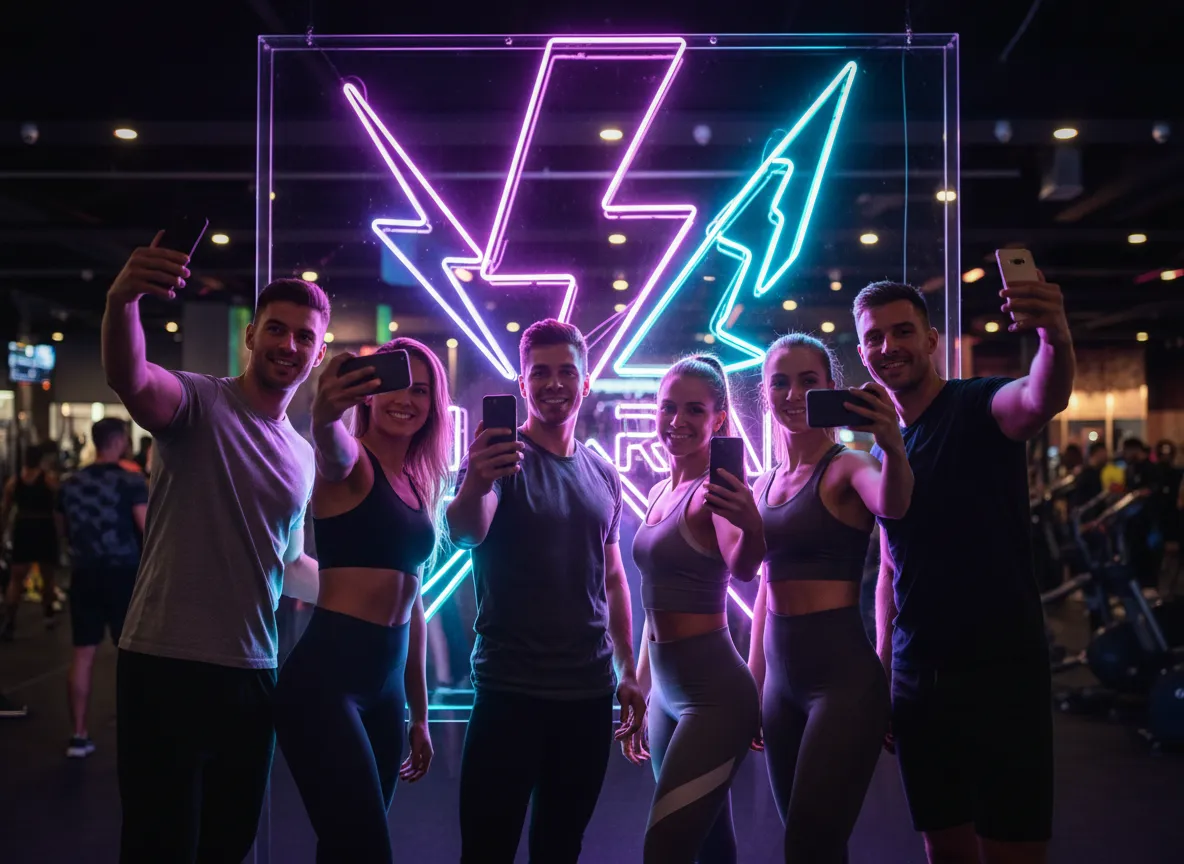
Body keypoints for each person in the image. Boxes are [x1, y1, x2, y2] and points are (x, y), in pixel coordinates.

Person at [102, 233, 326, 863]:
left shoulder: (303, 455)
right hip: (164, 660)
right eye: (277, 331)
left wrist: (374, 589)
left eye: (304, 337)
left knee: (228, 845)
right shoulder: (198, 401)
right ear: (250, 336)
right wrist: (123, 301)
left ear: (318, 351)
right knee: (157, 845)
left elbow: (288, 565)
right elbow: (131, 377)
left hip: (253, 670)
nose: (289, 346)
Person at [853, 278, 1074, 864]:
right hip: (918, 678)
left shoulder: (978, 404)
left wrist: (1053, 329)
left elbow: (1039, 398)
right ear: (862, 353)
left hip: (1001, 672)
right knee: (943, 846)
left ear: (930, 340)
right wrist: (883, 671)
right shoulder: (884, 448)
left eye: (902, 331)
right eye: (874, 337)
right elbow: (890, 571)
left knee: (1013, 848)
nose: (888, 346)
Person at [447, 319, 645, 864]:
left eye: (566, 372)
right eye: (541, 372)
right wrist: (476, 481)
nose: (554, 383)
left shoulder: (602, 473)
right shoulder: (499, 462)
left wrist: (627, 670)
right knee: (486, 852)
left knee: (560, 850)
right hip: (508, 691)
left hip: (585, 695)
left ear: (585, 382)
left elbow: (612, 578)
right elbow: (465, 531)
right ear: (522, 381)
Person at [274, 337, 450, 861]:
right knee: (367, 849)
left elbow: (413, 603)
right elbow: (329, 438)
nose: (407, 400)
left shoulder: (418, 484)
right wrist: (326, 409)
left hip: (386, 690)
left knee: (344, 848)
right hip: (326, 686)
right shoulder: (352, 464)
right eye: (396, 386)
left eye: (421, 391)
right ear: (369, 395)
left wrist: (419, 712)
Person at [746, 333, 910, 863]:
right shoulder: (763, 483)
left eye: (807, 381)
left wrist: (890, 440)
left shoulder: (847, 467)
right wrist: (755, 684)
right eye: (780, 382)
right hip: (779, 686)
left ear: (829, 388)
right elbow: (765, 588)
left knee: (807, 844)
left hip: (842, 685)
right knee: (812, 844)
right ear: (764, 392)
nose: (792, 393)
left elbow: (895, 503)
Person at [620, 355, 763, 864]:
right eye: (667, 408)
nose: (676, 421)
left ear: (719, 419)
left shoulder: (712, 494)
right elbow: (653, 604)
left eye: (694, 411)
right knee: (709, 846)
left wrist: (751, 524)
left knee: (665, 847)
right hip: (663, 691)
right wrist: (639, 683)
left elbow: (742, 566)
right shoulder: (661, 491)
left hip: (715, 696)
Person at [56, 418, 148, 758]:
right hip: (123, 574)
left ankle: (78, 735)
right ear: (121, 440)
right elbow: (146, 526)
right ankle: (136, 733)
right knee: (131, 654)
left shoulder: (70, 483)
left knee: (83, 653)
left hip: (85, 573)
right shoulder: (130, 480)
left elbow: (63, 529)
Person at [1, 444, 61, 639]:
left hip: (24, 527)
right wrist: (61, 531)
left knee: (16, 577)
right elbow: (58, 508)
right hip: (43, 527)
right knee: (47, 576)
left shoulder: (14, 482)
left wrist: (2, 533)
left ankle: (10, 620)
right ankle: (49, 615)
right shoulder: (49, 480)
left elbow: (5, 510)